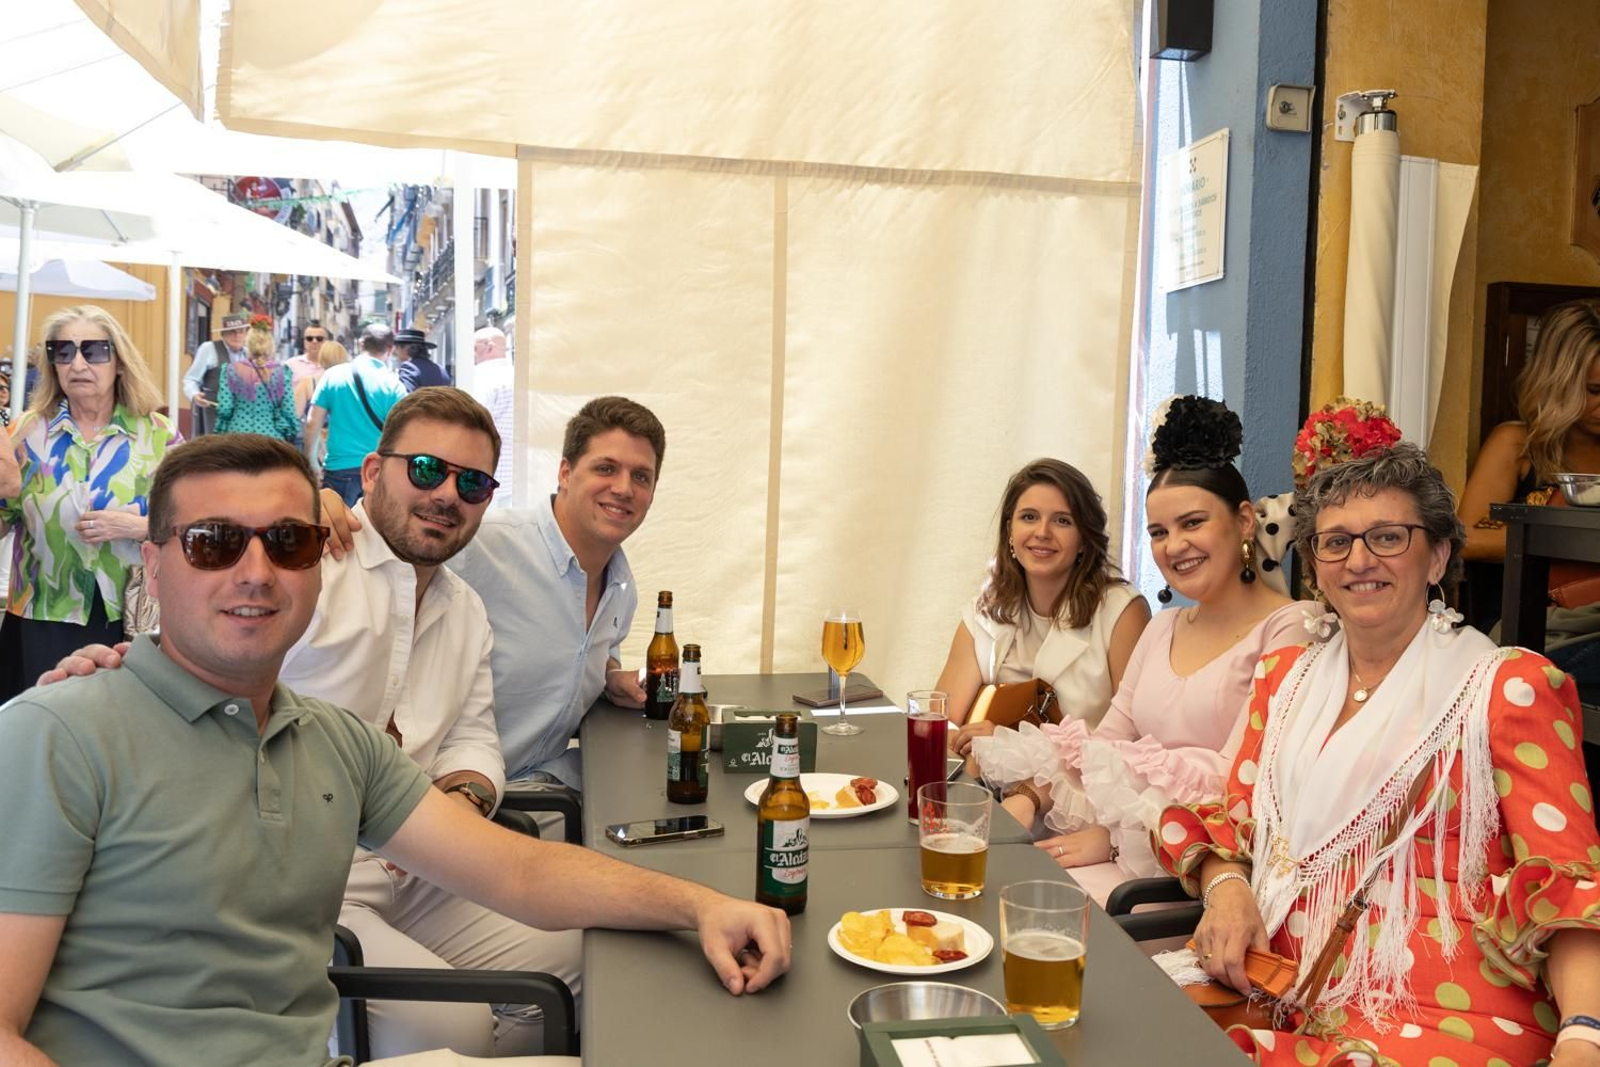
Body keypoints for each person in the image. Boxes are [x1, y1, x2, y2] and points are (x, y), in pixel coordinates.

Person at [0, 434, 791, 1067]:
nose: (255, 571)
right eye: (213, 543)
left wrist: (701, 903)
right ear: (154, 560)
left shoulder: (329, 739)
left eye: (286, 541)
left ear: (317, 559)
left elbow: (518, 869)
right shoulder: (58, 734)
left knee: (647, 995)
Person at [45, 387, 583, 1056]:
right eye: (425, 469)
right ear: (369, 473)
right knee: (456, 1021)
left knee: (573, 957)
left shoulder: (465, 607)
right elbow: (192, 649)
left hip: (421, 859)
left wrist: (465, 798)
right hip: (306, 880)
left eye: (471, 481)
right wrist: (106, 675)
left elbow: (474, 734)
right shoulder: (306, 563)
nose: (447, 492)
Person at [1156, 440, 1600, 1067]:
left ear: (1438, 555)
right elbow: (1235, 824)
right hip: (1280, 985)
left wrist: (1584, 1038)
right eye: (1334, 542)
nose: (1358, 560)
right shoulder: (1282, 679)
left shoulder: (1507, 685)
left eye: (1388, 537)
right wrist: (1227, 886)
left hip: (1446, 1012)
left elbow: (1569, 884)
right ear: (1314, 564)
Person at [961, 397, 1308, 904]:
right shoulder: (1163, 626)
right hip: (1123, 858)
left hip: (1196, 880)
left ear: (1245, 521)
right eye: (1159, 532)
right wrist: (1032, 798)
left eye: (1193, 523)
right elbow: (1102, 746)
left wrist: (1116, 837)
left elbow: (1242, 783)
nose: (1174, 546)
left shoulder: (1290, 627)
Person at [324, 396, 659, 791]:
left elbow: (580, 652)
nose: (623, 488)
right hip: (440, 801)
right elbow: (397, 543)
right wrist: (320, 508)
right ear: (565, 473)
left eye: (641, 477)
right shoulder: (479, 543)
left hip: (530, 788)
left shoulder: (621, 586)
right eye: (606, 468)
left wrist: (610, 677)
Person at [0, 305, 179, 703]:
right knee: (41, 728)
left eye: (93, 350)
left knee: (119, 729)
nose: (77, 362)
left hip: (130, 613)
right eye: (62, 352)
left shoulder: (158, 435)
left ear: (119, 362)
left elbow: (194, 521)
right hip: (44, 614)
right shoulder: (26, 433)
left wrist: (137, 526)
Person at [935, 457, 1150, 728]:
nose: (1042, 532)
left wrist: (1007, 747)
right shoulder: (983, 613)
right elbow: (940, 724)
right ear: (1009, 531)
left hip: (1087, 770)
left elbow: (1136, 738)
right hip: (983, 770)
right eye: (1029, 517)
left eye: (1062, 521)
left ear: (1084, 539)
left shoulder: (1122, 611)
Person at [305, 322, 406, 507]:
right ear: (390, 349)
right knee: (373, 534)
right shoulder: (395, 385)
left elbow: (312, 422)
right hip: (377, 471)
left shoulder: (333, 375)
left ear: (361, 344)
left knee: (335, 532)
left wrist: (312, 462)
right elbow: (403, 432)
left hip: (339, 469)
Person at [215, 317, 301, 445]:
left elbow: (225, 408)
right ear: (271, 344)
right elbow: (288, 411)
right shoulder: (282, 373)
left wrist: (220, 431)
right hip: (271, 438)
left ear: (248, 344)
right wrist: (289, 431)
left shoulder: (230, 370)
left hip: (237, 437)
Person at [183, 310, 249, 436]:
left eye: (241, 331)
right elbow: (191, 379)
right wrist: (194, 395)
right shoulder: (209, 348)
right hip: (215, 414)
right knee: (217, 451)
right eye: (232, 332)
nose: (237, 335)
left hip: (243, 418)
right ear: (223, 334)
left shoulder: (249, 354)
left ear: (246, 334)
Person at [468, 325, 514, 497]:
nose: (472, 354)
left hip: (486, 471)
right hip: (514, 475)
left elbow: (471, 423)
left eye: (475, 348)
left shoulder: (480, 378)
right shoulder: (518, 377)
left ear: (489, 346)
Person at [296, 340, 349, 469]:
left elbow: (296, 415)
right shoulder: (351, 387)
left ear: (322, 358)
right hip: (343, 448)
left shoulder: (308, 383)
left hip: (316, 445)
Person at [283, 318, 329, 408]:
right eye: (309, 338)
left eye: (319, 339)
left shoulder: (333, 367)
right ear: (304, 341)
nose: (314, 341)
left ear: (326, 341)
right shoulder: (290, 365)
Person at [395, 328, 452, 392]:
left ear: (406, 348)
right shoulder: (441, 369)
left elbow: (406, 398)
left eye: (397, 347)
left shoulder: (409, 367)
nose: (396, 351)